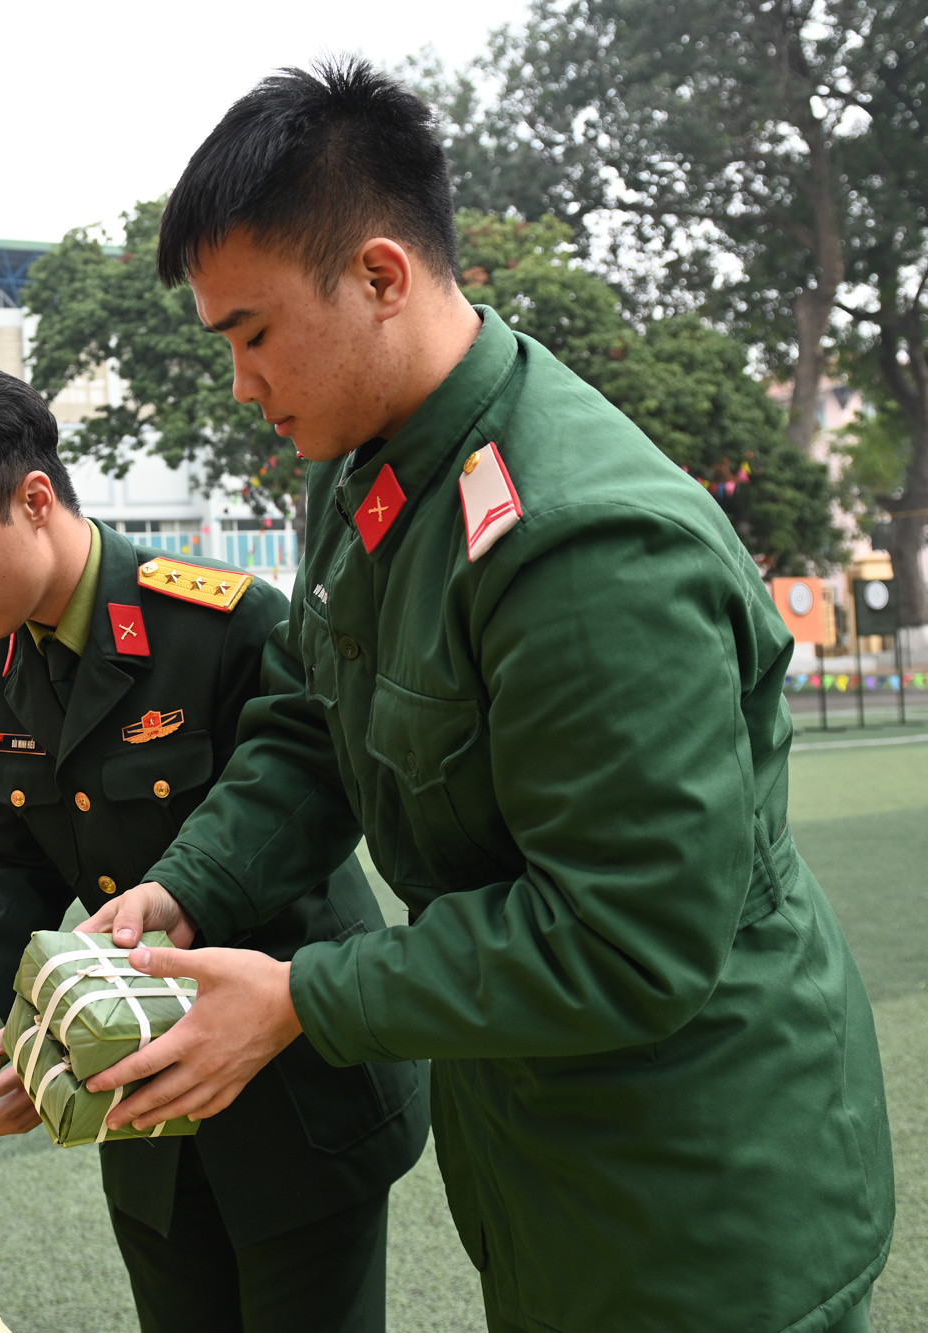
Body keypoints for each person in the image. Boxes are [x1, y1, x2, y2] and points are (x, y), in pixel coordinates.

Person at [79, 60, 894, 1333]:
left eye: (251, 333)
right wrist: (188, 886)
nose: (241, 381)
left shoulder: (581, 546)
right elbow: (312, 722)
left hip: (703, 1183)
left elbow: (626, 937)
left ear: (380, 278)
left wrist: (304, 997)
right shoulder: (363, 476)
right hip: (545, 1142)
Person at [0, 358, 428, 1333]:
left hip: (294, 1095)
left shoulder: (219, 623)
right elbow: (19, 866)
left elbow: (309, 790)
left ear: (33, 500)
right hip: (138, 1096)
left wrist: (174, 895)